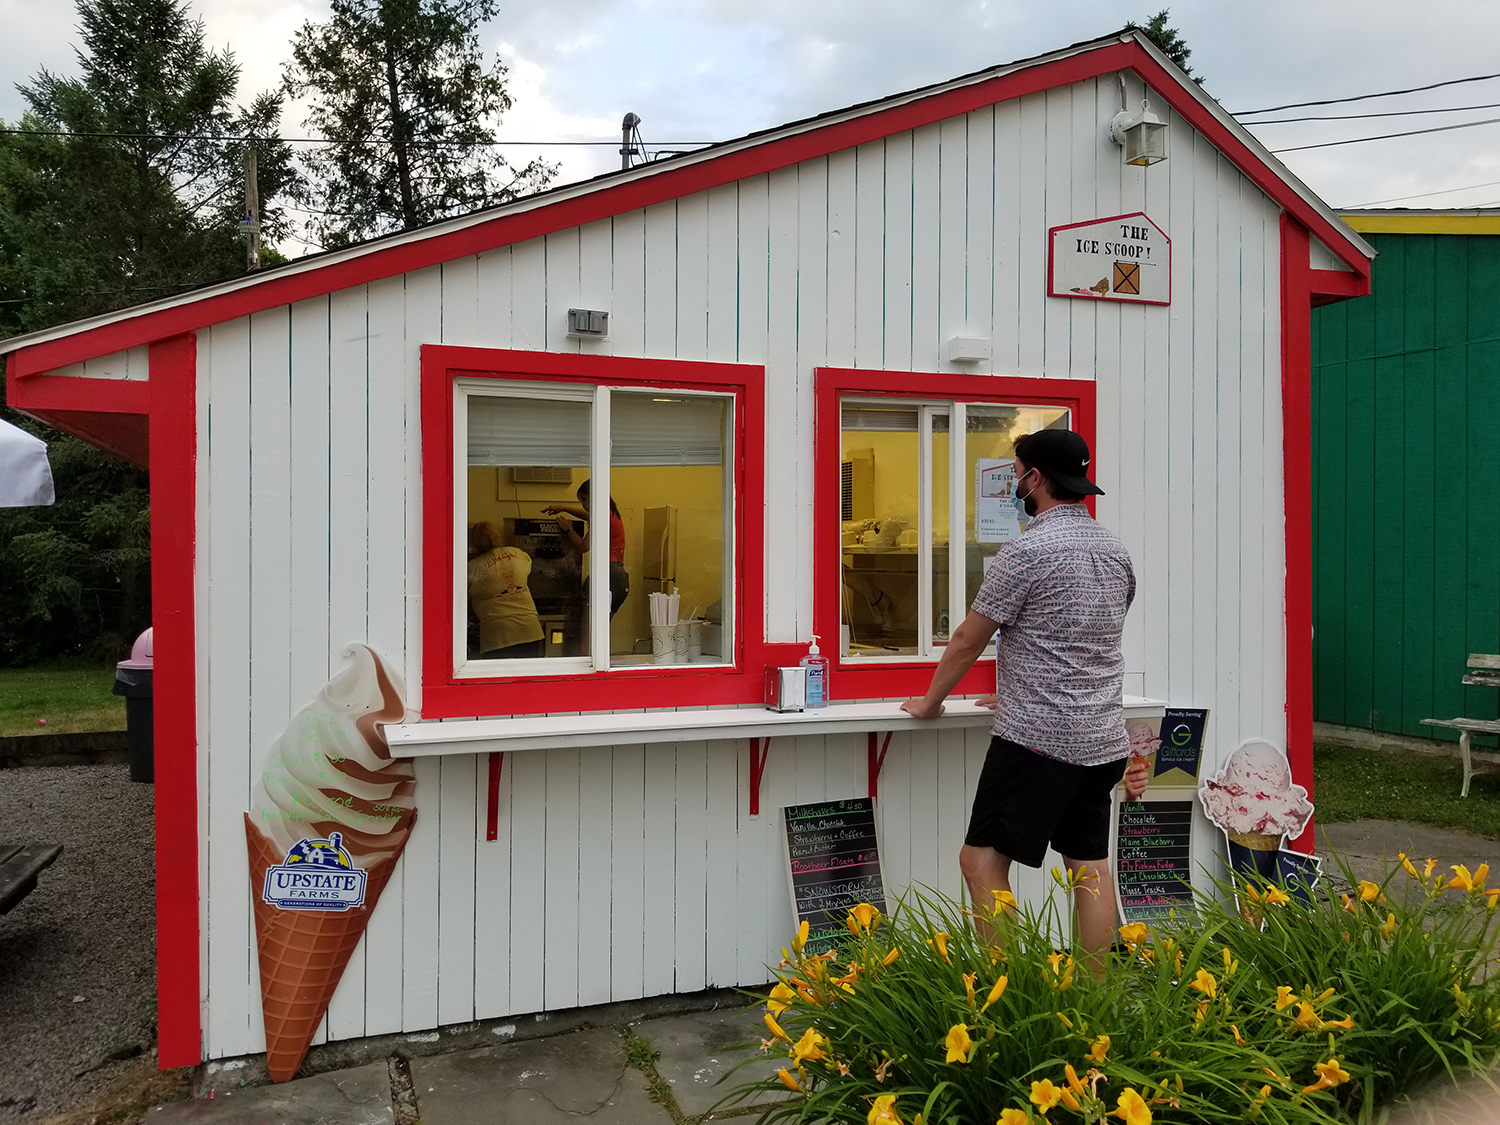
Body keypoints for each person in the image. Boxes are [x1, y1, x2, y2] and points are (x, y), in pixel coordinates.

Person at [901, 429, 1149, 968]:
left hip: (1038, 742)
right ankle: (1094, 998)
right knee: (1089, 866)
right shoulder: (1114, 551)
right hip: (1102, 740)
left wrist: (929, 703)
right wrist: (1016, 686)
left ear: (1035, 478)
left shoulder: (1026, 550)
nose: (1014, 482)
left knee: (980, 862)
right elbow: (1079, 637)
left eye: (1016, 474)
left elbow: (968, 638)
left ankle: (1010, 995)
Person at [544, 480, 630, 617]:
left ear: (594, 496)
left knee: (588, 623)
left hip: (608, 573)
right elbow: (587, 516)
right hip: (619, 577)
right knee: (601, 624)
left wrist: (569, 530)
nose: (583, 505)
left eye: (584, 499)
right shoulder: (611, 512)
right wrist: (563, 507)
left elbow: (584, 546)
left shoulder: (601, 515)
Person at [467, 522, 545, 659]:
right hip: (530, 629)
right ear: (498, 536)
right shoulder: (520, 554)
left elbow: (461, 598)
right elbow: (527, 573)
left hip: (498, 635)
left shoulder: (473, 567)